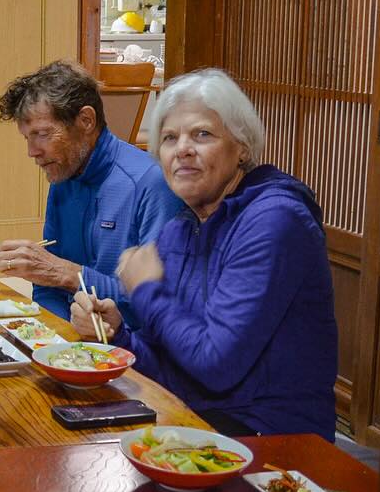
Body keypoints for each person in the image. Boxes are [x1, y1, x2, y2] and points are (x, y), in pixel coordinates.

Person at [71, 69, 338, 439]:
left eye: (202, 134)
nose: (182, 149)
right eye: (169, 138)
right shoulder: (180, 229)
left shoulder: (275, 221)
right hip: (197, 418)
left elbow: (215, 366)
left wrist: (147, 289)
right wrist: (118, 335)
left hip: (272, 439)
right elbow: (172, 366)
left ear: (241, 147)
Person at [0, 60, 182, 323]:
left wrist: (71, 275)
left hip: (132, 351)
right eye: (28, 137)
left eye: (43, 134)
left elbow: (160, 303)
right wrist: (60, 338)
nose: (32, 151)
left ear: (86, 120)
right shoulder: (64, 174)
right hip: (73, 346)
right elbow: (47, 285)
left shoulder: (151, 183)